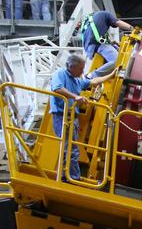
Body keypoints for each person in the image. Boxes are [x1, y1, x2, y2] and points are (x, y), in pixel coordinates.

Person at [49, 53, 114, 181]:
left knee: (70, 148)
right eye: (81, 69)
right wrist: (75, 97)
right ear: (72, 67)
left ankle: (66, 176)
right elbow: (57, 88)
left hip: (72, 118)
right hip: (62, 117)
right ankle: (71, 178)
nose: (83, 71)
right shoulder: (60, 74)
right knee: (70, 149)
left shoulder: (77, 79)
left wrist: (112, 74)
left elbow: (93, 82)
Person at [79, 9, 133, 78]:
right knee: (117, 60)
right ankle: (92, 75)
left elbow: (96, 34)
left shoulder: (92, 19)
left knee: (114, 55)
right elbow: (118, 23)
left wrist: (111, 43)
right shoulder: (107, 14)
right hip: (97, 44)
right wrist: (132, 29)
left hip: (89, 49)